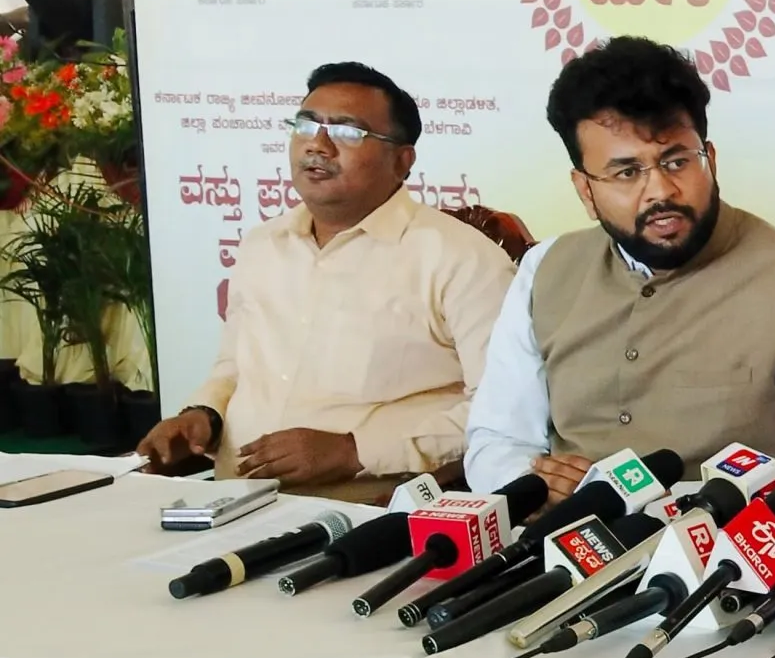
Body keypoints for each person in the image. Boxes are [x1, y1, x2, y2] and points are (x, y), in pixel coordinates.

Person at [463, 37, 775, 508]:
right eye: (626, 173)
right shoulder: (545, 270)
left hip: (717, 548)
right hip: (551, 541)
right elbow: (496, 441)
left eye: (677, 161)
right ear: (584, 190)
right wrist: (533, 482)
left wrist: (636, 502)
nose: (661, 191)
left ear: (711, 161)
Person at [135, 63, 513, 502]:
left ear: (402, 161)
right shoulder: (263, 245)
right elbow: (235, 367)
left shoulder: (462, 259)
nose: (317, 145)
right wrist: (203, 416)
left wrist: (354, 451)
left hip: (370, 513)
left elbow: (501, 410)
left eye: (348, 132)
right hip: (231, 502)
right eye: (306, 125)